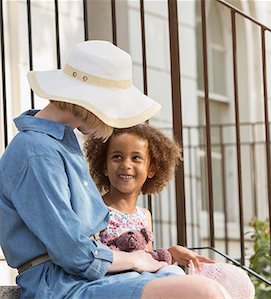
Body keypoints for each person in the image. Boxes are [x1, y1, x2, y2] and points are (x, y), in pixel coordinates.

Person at [0, 40, 230, 298]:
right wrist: (136, 260)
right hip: (60, 285)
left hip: (85, 277)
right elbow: (74, 253)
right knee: (204, 292)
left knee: (224, 284)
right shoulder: (36, 152)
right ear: (90, 102)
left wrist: (148, 258)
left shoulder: (59, 143)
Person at [84, 124, 213, 273]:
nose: (126, 164)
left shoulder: (144, 216)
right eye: (117, 157)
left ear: (151, 169)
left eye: (136, 158)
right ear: (104, 166)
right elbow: (93, 261)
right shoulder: (95, 209)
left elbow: (149, 261)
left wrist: (172, 252)